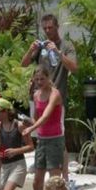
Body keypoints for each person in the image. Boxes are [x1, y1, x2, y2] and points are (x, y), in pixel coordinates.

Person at [21, 14, 78, 178]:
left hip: (56, 98)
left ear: (57, 27)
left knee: (59, 137)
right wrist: (31, 50)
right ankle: (46, 169)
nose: (47, 31)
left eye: (50, 28)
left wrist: (58, 53)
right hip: (38, 96)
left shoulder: (66, 46)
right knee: (41, 133)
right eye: (45, 28)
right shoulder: (41, 47)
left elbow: (74, 68)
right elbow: (24, 64)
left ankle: (64, 176)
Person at [22, 67, 65, 190]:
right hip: (42, 139)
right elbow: (36, 118)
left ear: (48, 78)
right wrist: (26, 123)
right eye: (37, 79)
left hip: (54, 139)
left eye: (42, 79)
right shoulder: (36, 94)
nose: (39, 82)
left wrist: (31, 129)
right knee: (36, 182)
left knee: (54, 182)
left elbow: (46, 115)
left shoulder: (55, 94)